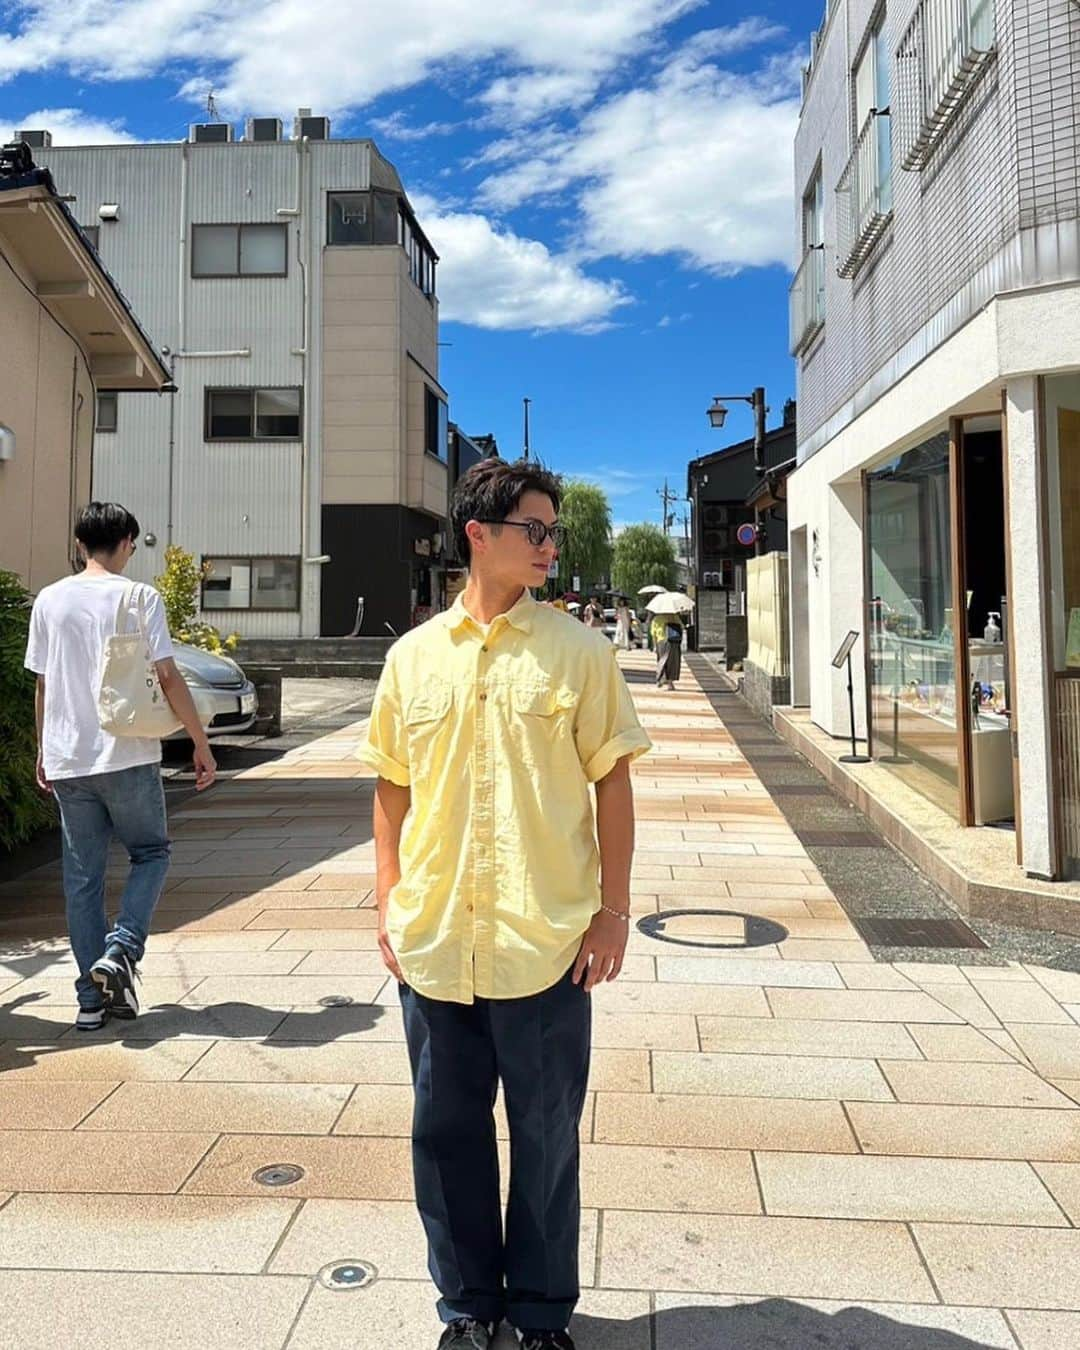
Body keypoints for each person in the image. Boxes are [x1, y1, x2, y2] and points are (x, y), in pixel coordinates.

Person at [360, 458, 651, 1350]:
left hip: (547, 941)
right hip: (438, 940)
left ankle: (538, 1314)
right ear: (478, 535)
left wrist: (612, 911)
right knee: (444, 1136)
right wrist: (386, 901)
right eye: (537, 530)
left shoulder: (580, 652)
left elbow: (612, 785)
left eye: (555, 531)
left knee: (546, 1138)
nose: (552, 546)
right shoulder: (411, 659)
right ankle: (468, 1308)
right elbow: (390, 788)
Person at [24, 502, 216, 1030]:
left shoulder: (49, 600)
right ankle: (123, 949)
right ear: (127, 542)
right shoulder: (138, 596)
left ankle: (92, 1001)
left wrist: (44, 748)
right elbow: (169, 676)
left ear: (81, 543)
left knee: (82, 879)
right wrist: (199, 742)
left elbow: (42, 682)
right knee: (151, 853)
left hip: (68, 757)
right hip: (126, 753)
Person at [652, 611, 684, 690]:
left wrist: (654, 646)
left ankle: (660, 679)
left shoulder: (656, 619)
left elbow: (654, 634)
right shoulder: (675, 618)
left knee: (662, 661)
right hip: (674, 642)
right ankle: (670, 683)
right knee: (673, 663)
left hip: (661, 642)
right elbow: (681, 628)